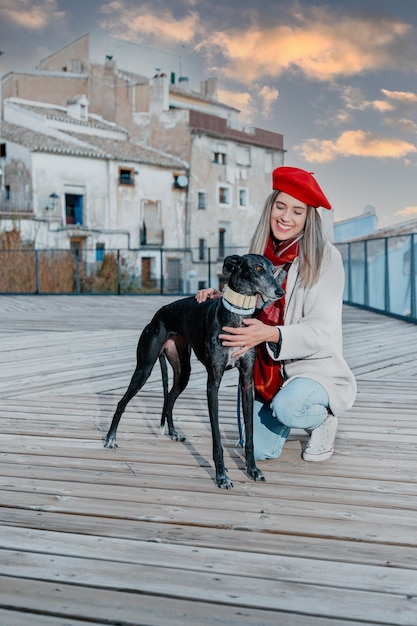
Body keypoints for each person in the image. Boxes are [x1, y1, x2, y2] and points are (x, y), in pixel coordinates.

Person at [196, 166, 356, 462]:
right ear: (270, 208)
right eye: (280, 207)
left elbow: (321, 332)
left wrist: (269, 333)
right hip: (264, 365)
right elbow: (251, 297)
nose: (285, 217)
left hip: (310, 369)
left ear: (309, 217)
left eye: (297, 211)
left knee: (288, 408)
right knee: (258, 450)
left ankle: (322, 420)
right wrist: (225, 299)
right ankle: (281, 410)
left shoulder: (325, 257)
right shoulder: (261, 252)